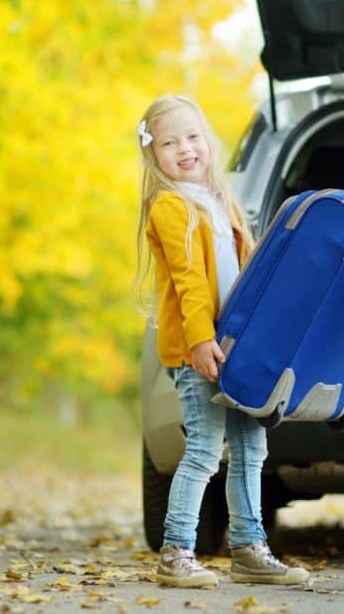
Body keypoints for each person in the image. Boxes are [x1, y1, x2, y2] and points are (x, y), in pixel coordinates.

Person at [134, 95, 309, 589]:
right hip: (200, 353)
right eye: (169, 143)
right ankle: (177, 551)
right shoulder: (170, 206)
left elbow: (248, 275)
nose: (184, 149)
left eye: (192, 137)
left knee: (252, 447)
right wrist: (199, 341)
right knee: (205, 451)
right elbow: (189, 282)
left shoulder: (220, 200)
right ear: (153, 156)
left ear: (207, 141)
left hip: (236, 349)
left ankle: (250, 548)